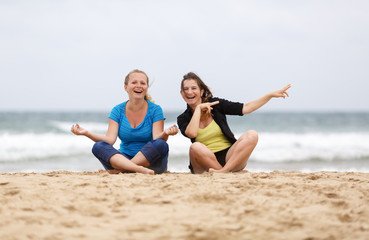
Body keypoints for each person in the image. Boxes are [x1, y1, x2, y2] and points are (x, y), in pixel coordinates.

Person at [177, 72, 291, 174]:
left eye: (193, 88)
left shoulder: (216, 104)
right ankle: (226, 172)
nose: (189, 92)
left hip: (230, 158)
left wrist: (269, 96)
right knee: (195, 147)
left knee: (252, 134)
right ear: (182, 94)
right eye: (186, 89)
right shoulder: (183, 118)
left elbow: (246, 108)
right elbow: (191, 134)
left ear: (201, 91)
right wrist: (198, 110)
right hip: (204, 162)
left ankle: (224, 171)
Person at [71, 69, 178, 175]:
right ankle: (136, 169)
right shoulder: (117, 110)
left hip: (152, 163)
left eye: (143, 83)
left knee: (161, 144)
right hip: (122, 159)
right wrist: (86, 133)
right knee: (98, 146)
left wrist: (165, 133)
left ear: (146, 88)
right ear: (125, 87)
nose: (139, 85)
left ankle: (121, 170)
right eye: (134, 82)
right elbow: (110, 140)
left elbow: (156, 140)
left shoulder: (155, 110)